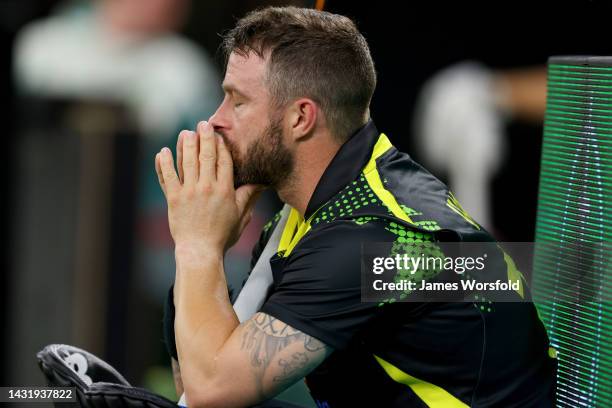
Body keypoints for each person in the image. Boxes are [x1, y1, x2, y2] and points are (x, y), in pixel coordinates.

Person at [155, 7, 556, 407]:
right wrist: (207, 247)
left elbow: (210, 391)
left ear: (300, 118)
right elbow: (195, 378)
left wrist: (198, 245)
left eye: (237, 103)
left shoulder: (370, 239)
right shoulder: (317, 211)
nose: (213, 121)